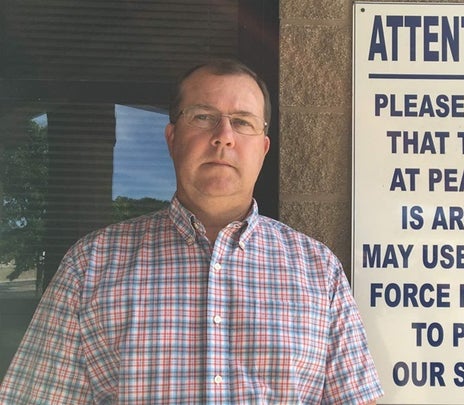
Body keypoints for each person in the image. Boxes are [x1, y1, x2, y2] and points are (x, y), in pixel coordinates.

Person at [0, 59, 384, 404]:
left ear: (263, 148)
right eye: (202, 117)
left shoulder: (320, 271)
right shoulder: (90, 265)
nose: (223, 135)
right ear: (172, 138)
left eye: (243, 122)